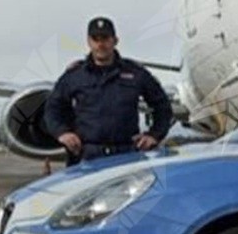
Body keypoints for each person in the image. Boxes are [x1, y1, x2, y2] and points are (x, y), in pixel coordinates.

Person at [45, 16, 173, 166]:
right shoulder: (75, 75)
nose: (100, 44)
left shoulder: (136, 73)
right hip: (85, 155)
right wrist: (62, 133)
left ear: (115, 40)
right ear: (89, 41)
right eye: (95, 39)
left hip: (127, 155)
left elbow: (162, 106)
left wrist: (154, 135)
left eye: (105, 38)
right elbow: (53, 108)